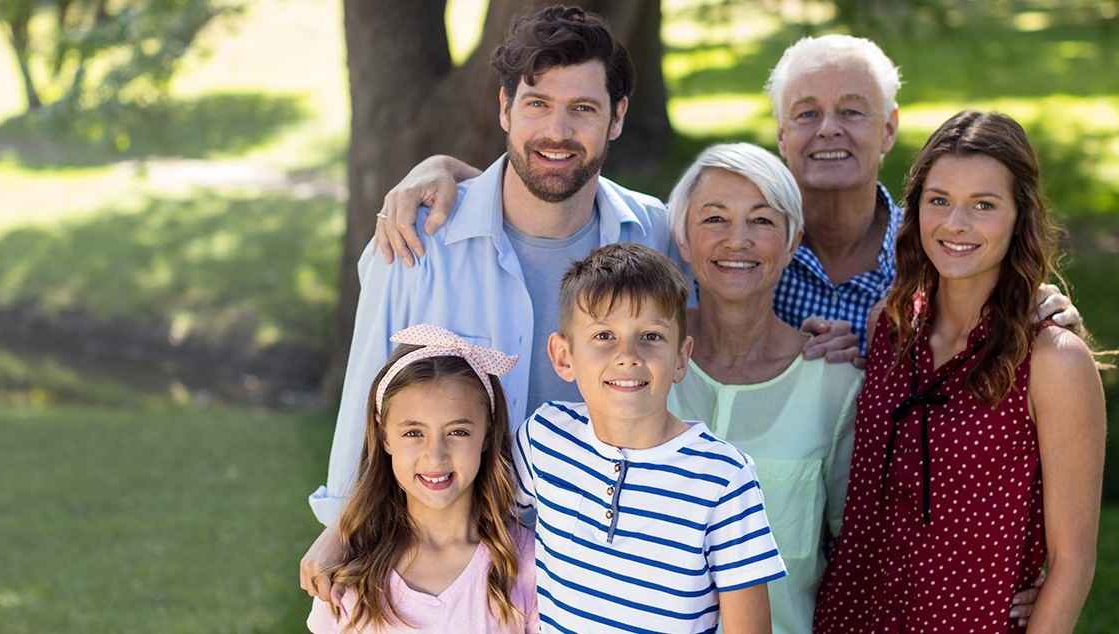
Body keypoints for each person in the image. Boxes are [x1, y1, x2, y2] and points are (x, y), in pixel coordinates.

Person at [370, 35, 1078, 357]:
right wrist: (446, 169)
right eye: (805, 112)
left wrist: (1035, 300)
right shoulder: (716, 250)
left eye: (853, 111)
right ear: (779, 131)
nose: (827, 130)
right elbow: (557, 181)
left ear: (890, 127)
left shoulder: (935, 255)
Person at [306, 5, 690, 526]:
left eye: (582, 108)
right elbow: (363, 403)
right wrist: (340, 529)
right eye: (537, 104)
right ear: (505, 108)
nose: (557, 131)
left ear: (617, 117)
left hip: (603, 559)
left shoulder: (655, 232)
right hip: (454, 557)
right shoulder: (415, 240)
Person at [812, 110, 1106, 632]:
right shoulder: (890, 326)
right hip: (854, 615)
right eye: (939, 200)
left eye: (984, 205)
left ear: (1021, 216)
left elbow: (1073, 562)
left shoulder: (1052, 360)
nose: (956, 224)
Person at [524, 241, 784, 632]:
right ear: (564, 356)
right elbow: (478, 529)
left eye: (651, 336)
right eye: (603, 336)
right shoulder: (544, 437)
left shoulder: (725, 480)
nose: (628, 355)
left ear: (681, 358)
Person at [662, 143, 862, 633]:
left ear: (793, 243)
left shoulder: (835, 385)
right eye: (714, 219)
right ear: (683, 242)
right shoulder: (642, 363)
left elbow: (856, 554)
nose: (738, 240)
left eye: (762, 221)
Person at [305, 324, 539, 634]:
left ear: (487, 434)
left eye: (458, 432)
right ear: (384, 435)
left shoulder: (524, 562)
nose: (435, 456)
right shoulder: (347, 569)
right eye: (414, 433)